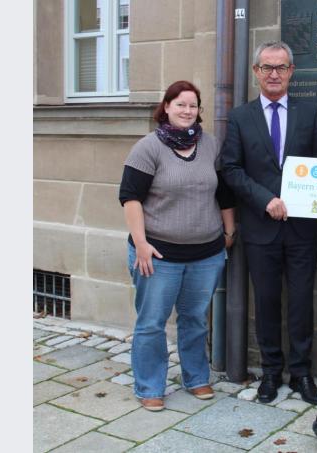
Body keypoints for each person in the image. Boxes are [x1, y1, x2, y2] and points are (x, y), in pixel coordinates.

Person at [220, 40, 317, 405]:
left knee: (301, 302)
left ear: (292, 72)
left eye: (281, 67)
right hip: (260, 229)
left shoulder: (309, 113)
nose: (274, 74)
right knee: (265, 302)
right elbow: (230, 170)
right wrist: (265, 200)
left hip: (302, 230)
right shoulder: (240, 117)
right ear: (256, 72)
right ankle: (269, 373)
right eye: (267, 67)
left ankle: (300, 374)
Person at [118, 80, 236, 412]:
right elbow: (130, 197)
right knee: (152, 322)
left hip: (206, 255)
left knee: (195, 319)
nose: (187, 111)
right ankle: (150, 386)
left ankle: (196, 378)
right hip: (158, 256)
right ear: (166, 107)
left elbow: (223, 193)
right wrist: (140, 243)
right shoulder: (148, 148)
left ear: (199, 111)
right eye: (180, 104)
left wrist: (229, 232)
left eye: (193, 105)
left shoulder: (210, 145)